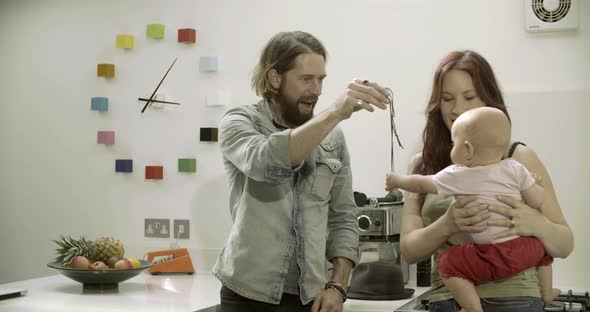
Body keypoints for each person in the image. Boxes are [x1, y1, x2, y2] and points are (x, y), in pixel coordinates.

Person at [213, 31, 391, 312]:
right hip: (247, 295)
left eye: (321, 79)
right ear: (275, 78)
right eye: (306, 79)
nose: (317, 89)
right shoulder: (239, 122)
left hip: (313, 298)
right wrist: (335, 112)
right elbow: (267, 163)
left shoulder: (333, 138)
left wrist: (338, 286)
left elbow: (343, 216)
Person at [393, 50, 573, 312]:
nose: (457, 109)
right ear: (437, 103)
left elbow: (565, 244)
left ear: (488, 99)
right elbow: (409, 251)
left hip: (514, 299)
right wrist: (447, 224)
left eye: (469, 97)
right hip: (446, 301)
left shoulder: (518, 157)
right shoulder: (422, 165)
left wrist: (536, 224)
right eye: (447, 99)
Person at [385, 106, 556, 312]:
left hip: (488, 254)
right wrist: (534, 186)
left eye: (454, 143)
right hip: (517, 250)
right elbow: (538, 199)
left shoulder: (460, 175)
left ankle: (471, 307)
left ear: (467, 150)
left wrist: (397, 180)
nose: (451, 148)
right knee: (542, 249)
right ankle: (546, 292)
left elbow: (422, 183)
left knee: (447, 263)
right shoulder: (514, 168)